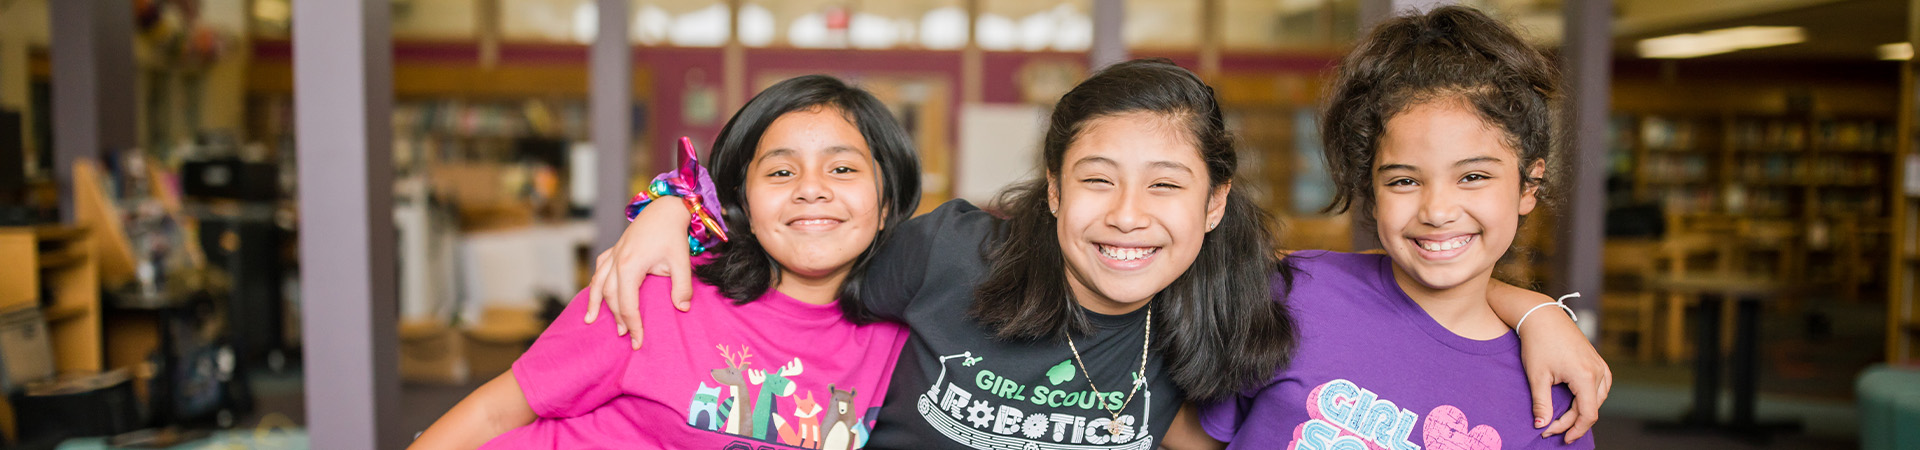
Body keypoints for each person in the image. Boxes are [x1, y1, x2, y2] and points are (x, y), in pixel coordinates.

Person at [592, 59, 1607, 449]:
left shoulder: (1238, 298)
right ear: (1052, 189)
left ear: (1213, 208)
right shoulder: (952, 252)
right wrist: (674, 208)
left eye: (1166, 185)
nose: (1128, 217)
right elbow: (803, 233)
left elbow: (1417, 276)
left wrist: (1537, 309)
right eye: (1096, 180)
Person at [409, 74, 919, 449]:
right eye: (781, 172)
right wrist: (672, 205)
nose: (811, 188)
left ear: (886, 205)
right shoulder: (656, 289)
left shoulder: (904, 339)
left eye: (843, 168)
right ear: (745, 201)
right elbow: (497, 413)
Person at [1198, 6, 1599, 448]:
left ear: (1529, 185)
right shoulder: (1292, 292)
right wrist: (1534, 307)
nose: (1438, 211)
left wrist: (1536, 311)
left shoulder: (1552, 393)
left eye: (1473, 177)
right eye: (1404, 181)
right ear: (1371, 191)